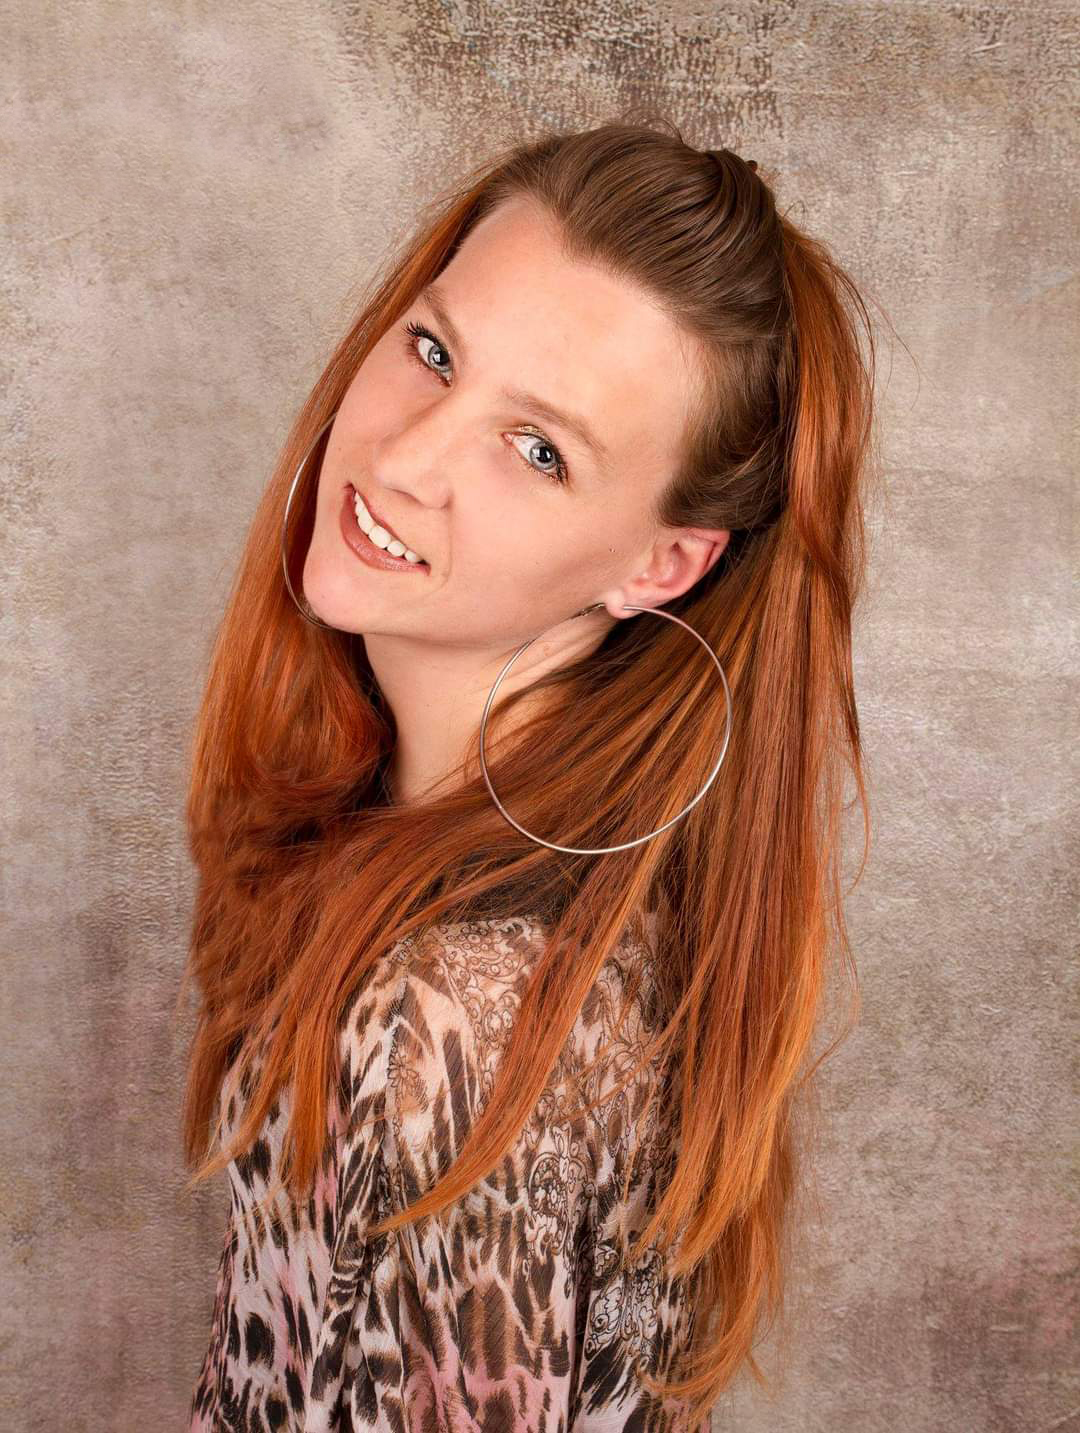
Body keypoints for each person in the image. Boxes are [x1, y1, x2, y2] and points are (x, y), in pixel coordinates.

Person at [180, 118, 877, 1430]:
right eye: (435, 352)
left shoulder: (451, 1023)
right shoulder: (533, 893)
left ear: (660, 566)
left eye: (537, 448)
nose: (404, 458)